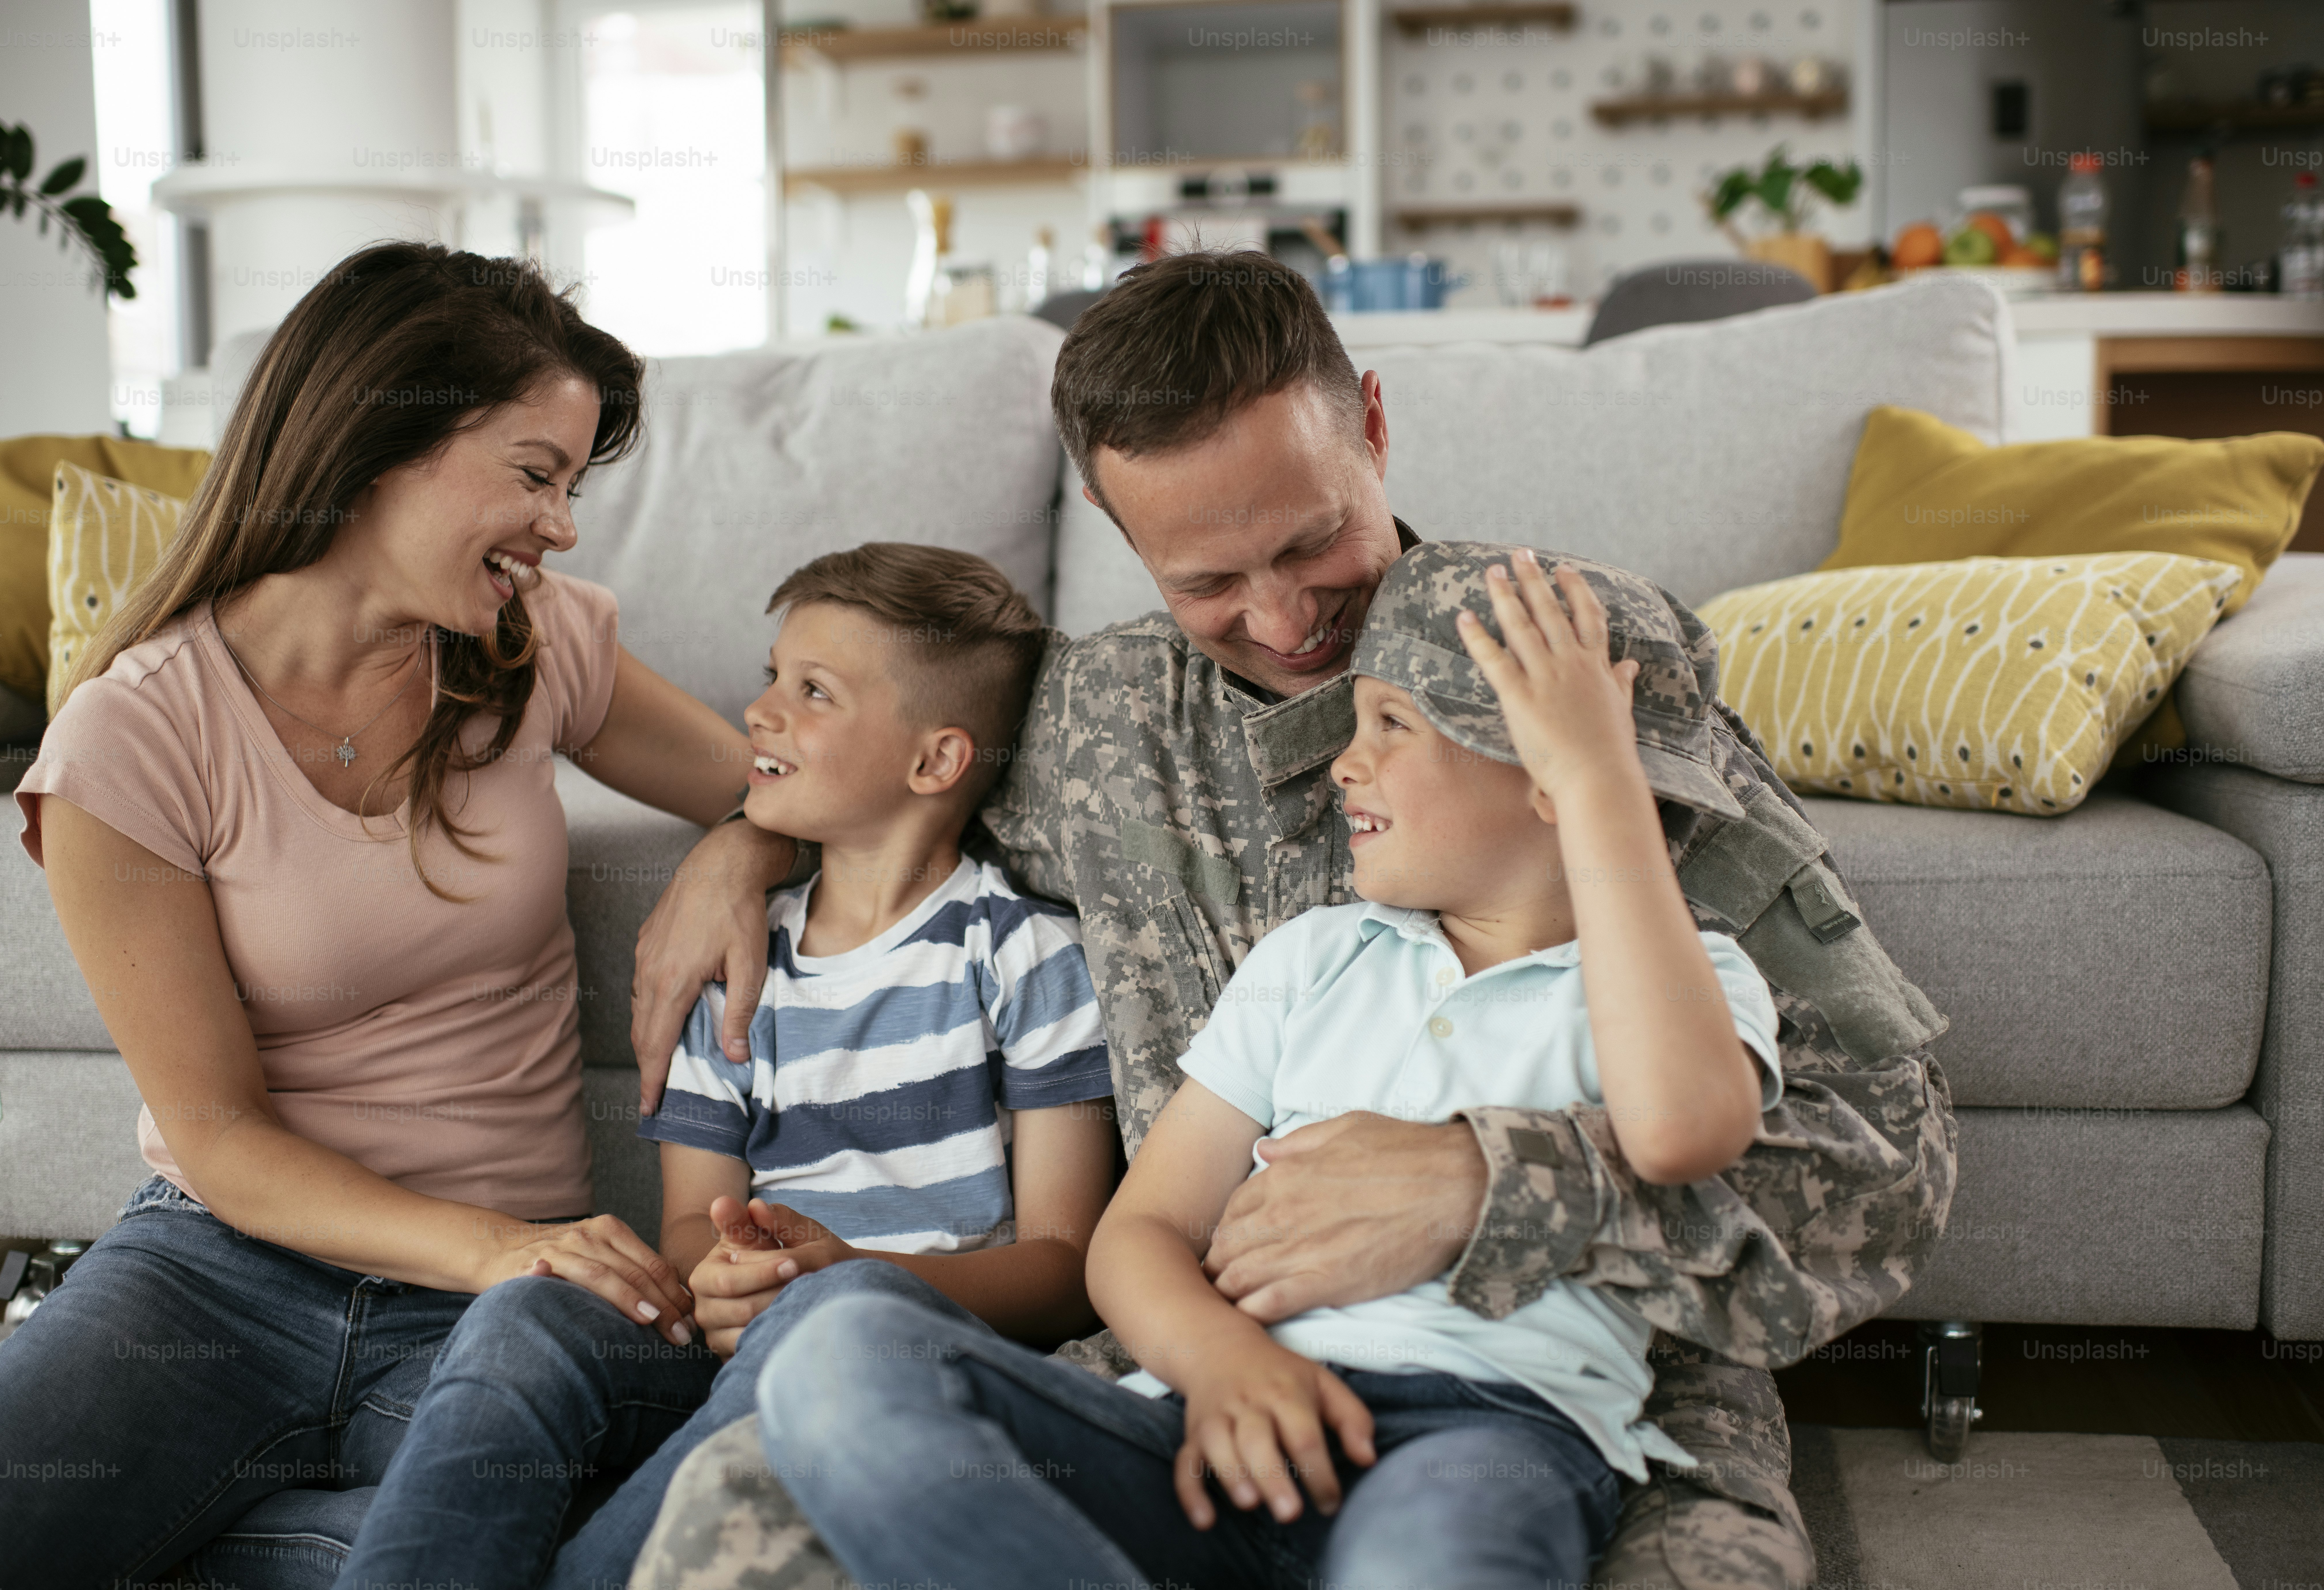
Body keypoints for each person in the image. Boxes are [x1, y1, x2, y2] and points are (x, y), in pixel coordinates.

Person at [628, 249, 1957, 1589]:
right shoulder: (1102, 723)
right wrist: (747, 842)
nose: (1284, 618)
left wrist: (1490, 1181)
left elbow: (1891, 1157)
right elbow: (888, 758)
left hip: (1573, 1401)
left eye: (1313, 539)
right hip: (1196, 1371)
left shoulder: (1560, 686)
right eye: (1209, 579)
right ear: (1111, 522)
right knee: (752, 1513)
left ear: (1372, 425)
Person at [0, 242, 764, 1588]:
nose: (561, 526)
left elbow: (782, 791)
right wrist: (505, 1246)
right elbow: (219, 1137)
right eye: (536, 474)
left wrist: (734, 855)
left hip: (489, 1321)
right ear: (385, 439)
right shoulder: (133, 736)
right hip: (215, 1278)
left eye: (571, 486)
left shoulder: (532, 643)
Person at [755, 539, 1792, 1588]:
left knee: (1421, 1566)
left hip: (1482, 1434)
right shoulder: (1317, 956)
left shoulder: (1688, 975)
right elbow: (1143, 1233)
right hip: (1215, 1419)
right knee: (838, 1364)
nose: (1346, 762)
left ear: (1545, 774)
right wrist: (1224, 1364)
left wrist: (1599, 780)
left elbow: (1679, 1130)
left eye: (1393, 724)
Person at [338, 545, 1121, 1588]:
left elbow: (1069, 1269)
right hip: (731, 1354)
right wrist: (726, 1279)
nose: (759, 713)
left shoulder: (1024, 956)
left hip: (907, 1368)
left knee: (823, 1316)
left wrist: (852, 1282)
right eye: (770, 676)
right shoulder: (738, 967)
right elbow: (687, 1231)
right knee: (528, 1312)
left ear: (935, 762)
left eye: (813, 693)